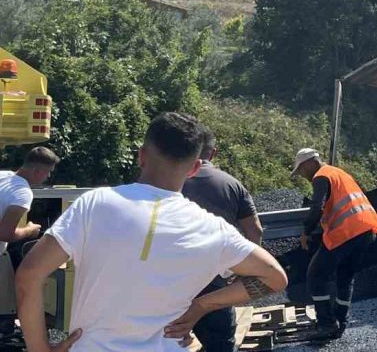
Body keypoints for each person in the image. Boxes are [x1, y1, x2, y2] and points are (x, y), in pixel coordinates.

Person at [15, 112, 287, 352]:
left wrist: (40, 348)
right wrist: (201, 306)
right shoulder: (213, 229)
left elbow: (29, 274)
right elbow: (275, 278)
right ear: (194, 168)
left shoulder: (94, 204)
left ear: (141, 155)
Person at [181, 128, 264, 352]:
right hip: (213, 282)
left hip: (169, 280)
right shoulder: (232, 184)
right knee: (221, 344)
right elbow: (254, 230)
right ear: (213, 153)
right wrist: (245, 271)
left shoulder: (170, 182)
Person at [291, 147, 377, 341]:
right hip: (365, 231)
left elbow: (318, 206)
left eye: (300, 170)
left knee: (316, 275)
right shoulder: (339, 173)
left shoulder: (321, 176)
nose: (301, 175)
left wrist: (306, 232)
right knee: (345, 276)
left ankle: (326, 324)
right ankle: (340, 322)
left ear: (309, 163)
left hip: (346, 232)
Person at [0, 147, 59, 335]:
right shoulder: (23, 192)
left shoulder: (3, 176)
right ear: (37, 171)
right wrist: (29, 230)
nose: (47, 177)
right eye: (47, 173)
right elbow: (5, 233)